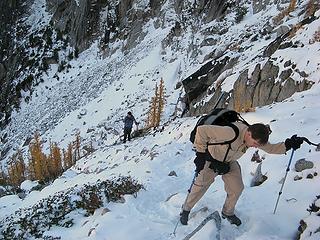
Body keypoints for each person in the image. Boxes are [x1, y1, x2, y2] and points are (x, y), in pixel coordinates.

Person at [180, 122, 304, 226]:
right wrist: (201, 155)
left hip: (228, 162)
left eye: (258, 145)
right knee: (200, 186)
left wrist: (288, 145)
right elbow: (202, 131)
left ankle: (227, 212)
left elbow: (270, 148)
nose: (255, 147)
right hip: (210, 158)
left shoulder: (255, 137)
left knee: (237, 187)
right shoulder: (230, 132)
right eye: (255, 143)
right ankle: (185, 210)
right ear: (248, 134)